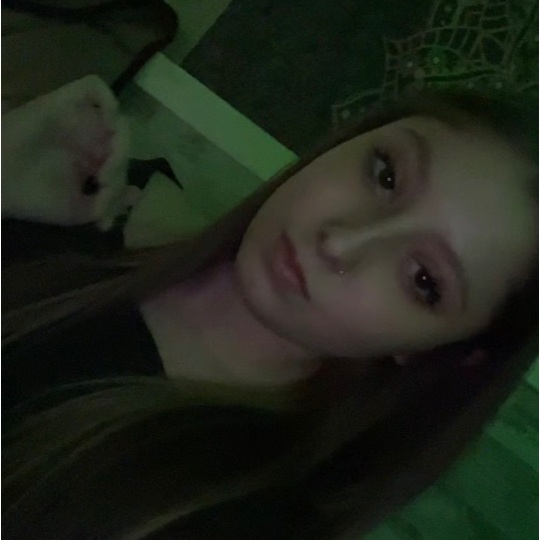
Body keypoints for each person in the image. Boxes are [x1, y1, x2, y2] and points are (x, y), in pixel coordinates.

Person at [2, 85, 538, 539]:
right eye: (387, 175)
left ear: (435, 352)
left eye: (424, 281)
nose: (341, 242)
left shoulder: (242, 515)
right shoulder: (86, 199)